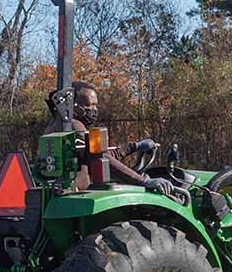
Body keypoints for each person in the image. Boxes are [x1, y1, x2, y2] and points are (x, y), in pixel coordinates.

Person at [47, 81, 176, 195]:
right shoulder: (73, 126)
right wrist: (143, 181)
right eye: (90, 105)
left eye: (95, 105)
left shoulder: (60, 124)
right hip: (72, 197)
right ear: (74, 106)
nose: (94, 109)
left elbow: (101, 154)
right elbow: (101, 158)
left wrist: (134, 146)